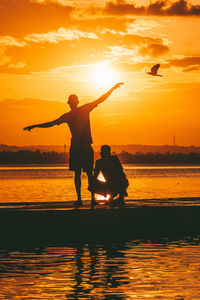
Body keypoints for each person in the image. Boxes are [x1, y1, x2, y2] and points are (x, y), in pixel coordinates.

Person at [23, 83, 124, 208]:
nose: (72, 103)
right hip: (81, 147)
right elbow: (52, 123)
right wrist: (35, 125)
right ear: (73, 102)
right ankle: (86, 199)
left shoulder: (79, 111)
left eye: (72, 101)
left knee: (83, 173)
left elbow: (101, 99)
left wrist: (112, 89)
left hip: (81, 147)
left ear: (70, 103)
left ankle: (84, 199)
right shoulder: (76, 112)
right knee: (85, 173)